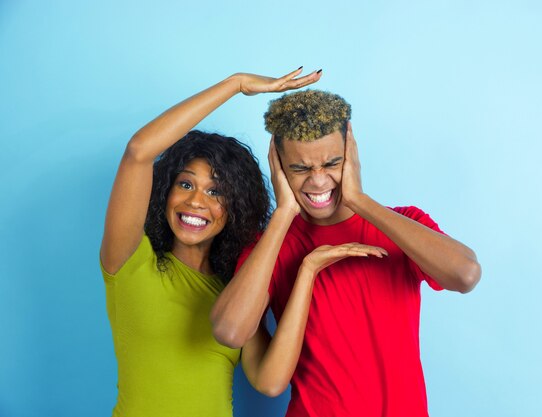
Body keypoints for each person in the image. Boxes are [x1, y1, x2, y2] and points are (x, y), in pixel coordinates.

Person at [99, 69, 383, 417]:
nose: (196, 202)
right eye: (186, 185)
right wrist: (235, 85)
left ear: (235, 206)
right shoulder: (130, 260)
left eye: (215, 191)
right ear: (165, 192)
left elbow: (269, 381)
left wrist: (306, 267)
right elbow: (139, 151)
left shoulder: (234, 290)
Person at [210, 89, 482, 417]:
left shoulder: (404, 225)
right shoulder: (268, 247)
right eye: (300, 168)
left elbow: (465, 275)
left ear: (350, 156)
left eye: (332, 163)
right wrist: (283, 213)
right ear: (278, 166)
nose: (318, 180)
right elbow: (230, 331)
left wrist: (360, 200)